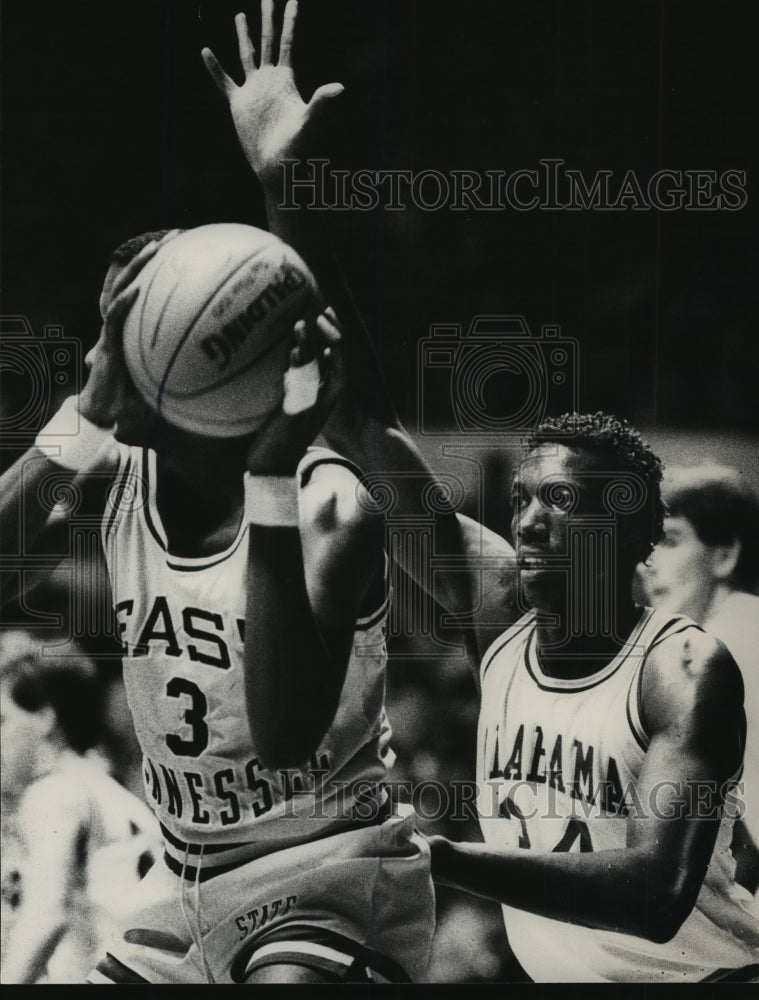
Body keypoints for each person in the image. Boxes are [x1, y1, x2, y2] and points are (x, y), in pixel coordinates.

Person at [206, 4, 759, 981]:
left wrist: (448, 854)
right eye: (526, 499)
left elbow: (659, 895)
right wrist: (287, 190)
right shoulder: (498, 599)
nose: (533, 516)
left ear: (630, 528)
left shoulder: (686, 672)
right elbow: (358, 415)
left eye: (566, 503)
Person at [0, 8, 434, 985]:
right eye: (107, 323)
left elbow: (283, 737)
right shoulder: (111, 470)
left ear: (208, 359)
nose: (111, 341)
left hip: (327, 873)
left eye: (137, 324)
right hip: (187, 881)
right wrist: (83, 409)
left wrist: (285, 191)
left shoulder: (327, 505)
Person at [0, 630, 161, 984]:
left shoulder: (53, 793)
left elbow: (46, 915)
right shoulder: (106, 789)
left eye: (1, 721)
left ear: (44, 717)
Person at [641, 463, 759, 890]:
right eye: (648, 541)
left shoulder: (724, 642)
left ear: (724, 555)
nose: (648, 561)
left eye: (669, 540)